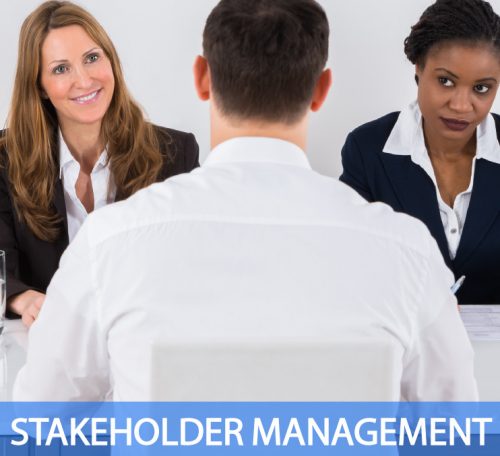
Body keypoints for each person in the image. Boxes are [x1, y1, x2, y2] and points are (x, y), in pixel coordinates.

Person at [14, 0, 476, 403]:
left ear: (201, 78)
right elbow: (456, 437)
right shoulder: (408, 251)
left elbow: (40, 415)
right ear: (321, 90)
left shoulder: (109, 243)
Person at [0, 0, 199, 326]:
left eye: (92, 58)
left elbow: (193, 264)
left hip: (142, 341)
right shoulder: (5, 159)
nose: (84, 80)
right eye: (60, 69)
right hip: (44, 346)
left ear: (111, 61)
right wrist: (23, 298)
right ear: (40, 86)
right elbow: (1, 260)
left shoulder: (176, 154)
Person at [340, 0, 500, 305]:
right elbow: (351, 263)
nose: (461, 106)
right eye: (445, 81)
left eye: (481, 88)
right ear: (418, 69)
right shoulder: (367, 149)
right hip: (403, 333)